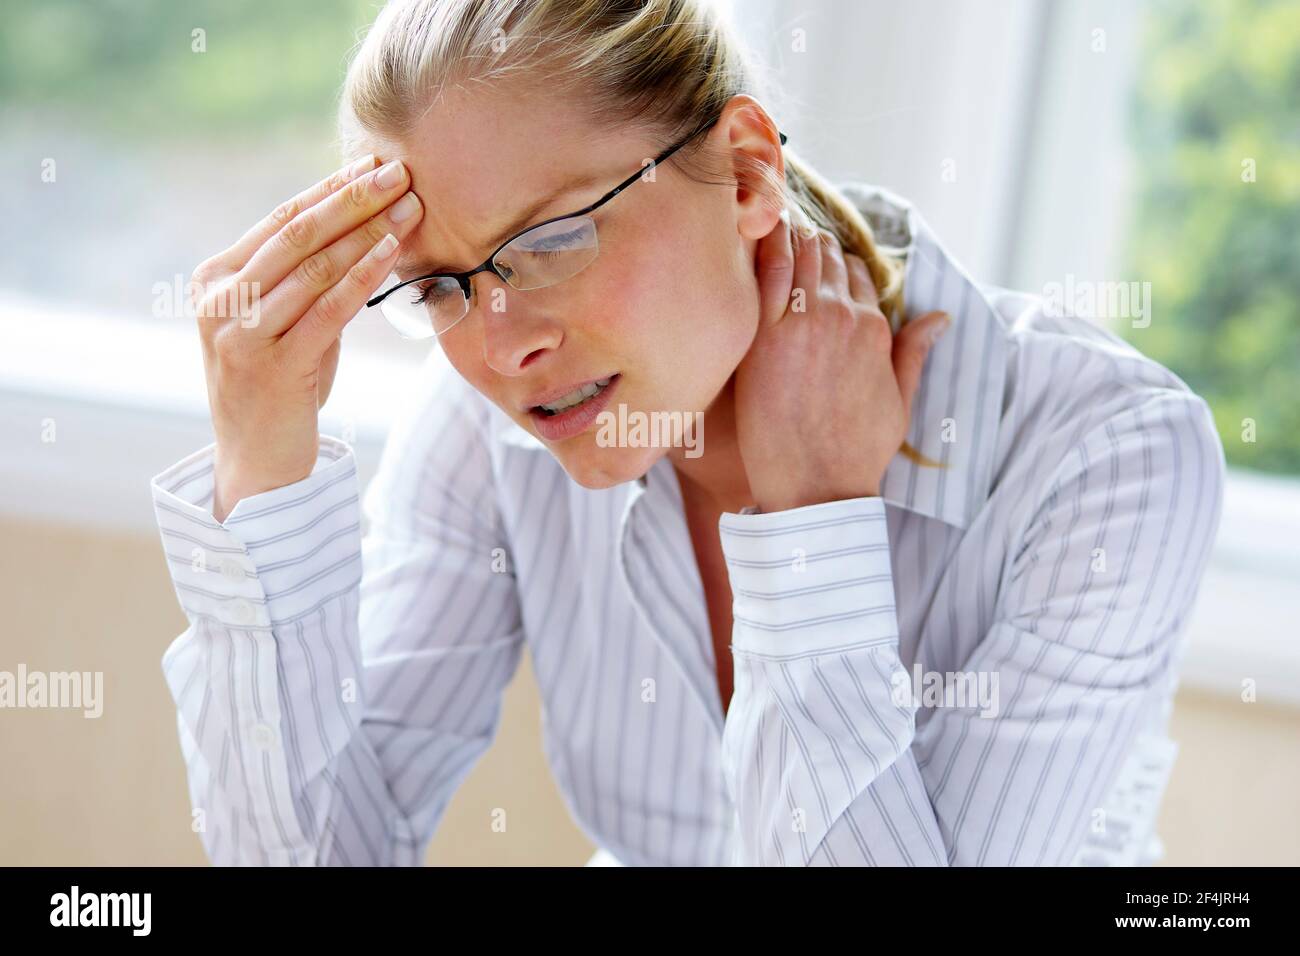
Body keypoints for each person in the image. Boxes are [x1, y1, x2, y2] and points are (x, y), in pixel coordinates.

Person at [150, 0, 1225, 866]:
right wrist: (262, 462)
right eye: (438, 286)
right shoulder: (486, 436)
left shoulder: (1105, 453)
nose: (501, 343)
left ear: (748, 172)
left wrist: (812, 518)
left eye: (553, 238)